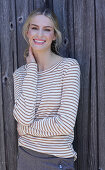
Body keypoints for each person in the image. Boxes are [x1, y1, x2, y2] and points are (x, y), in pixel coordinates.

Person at [13, 7, 80, 170]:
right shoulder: (21, 74)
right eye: (34, 28)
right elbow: (24, 117)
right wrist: (31, 70)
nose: (40, 35)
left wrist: (26, 129)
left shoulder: (68, 67)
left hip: (57, 160)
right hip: (26, 156)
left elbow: (65, 124)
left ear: (54, 35)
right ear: (27, 31)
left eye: (47, 29)